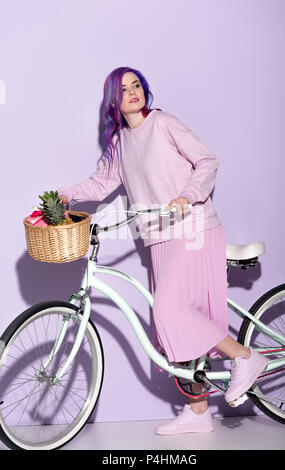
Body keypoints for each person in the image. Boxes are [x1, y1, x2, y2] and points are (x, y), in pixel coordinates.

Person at [58, 66, 268, 435]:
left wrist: (189, 195)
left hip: (194, 229)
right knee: (177, 326)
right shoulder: (121, 143)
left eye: (136, 85)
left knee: (172, 311)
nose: (133, 92)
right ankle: (199, 411)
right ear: (113, 101)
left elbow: (207, 160)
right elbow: (101, 182)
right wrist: (67, 195)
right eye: (123, 89)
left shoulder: (164, 123)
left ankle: (246, 357)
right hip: (157, 237)